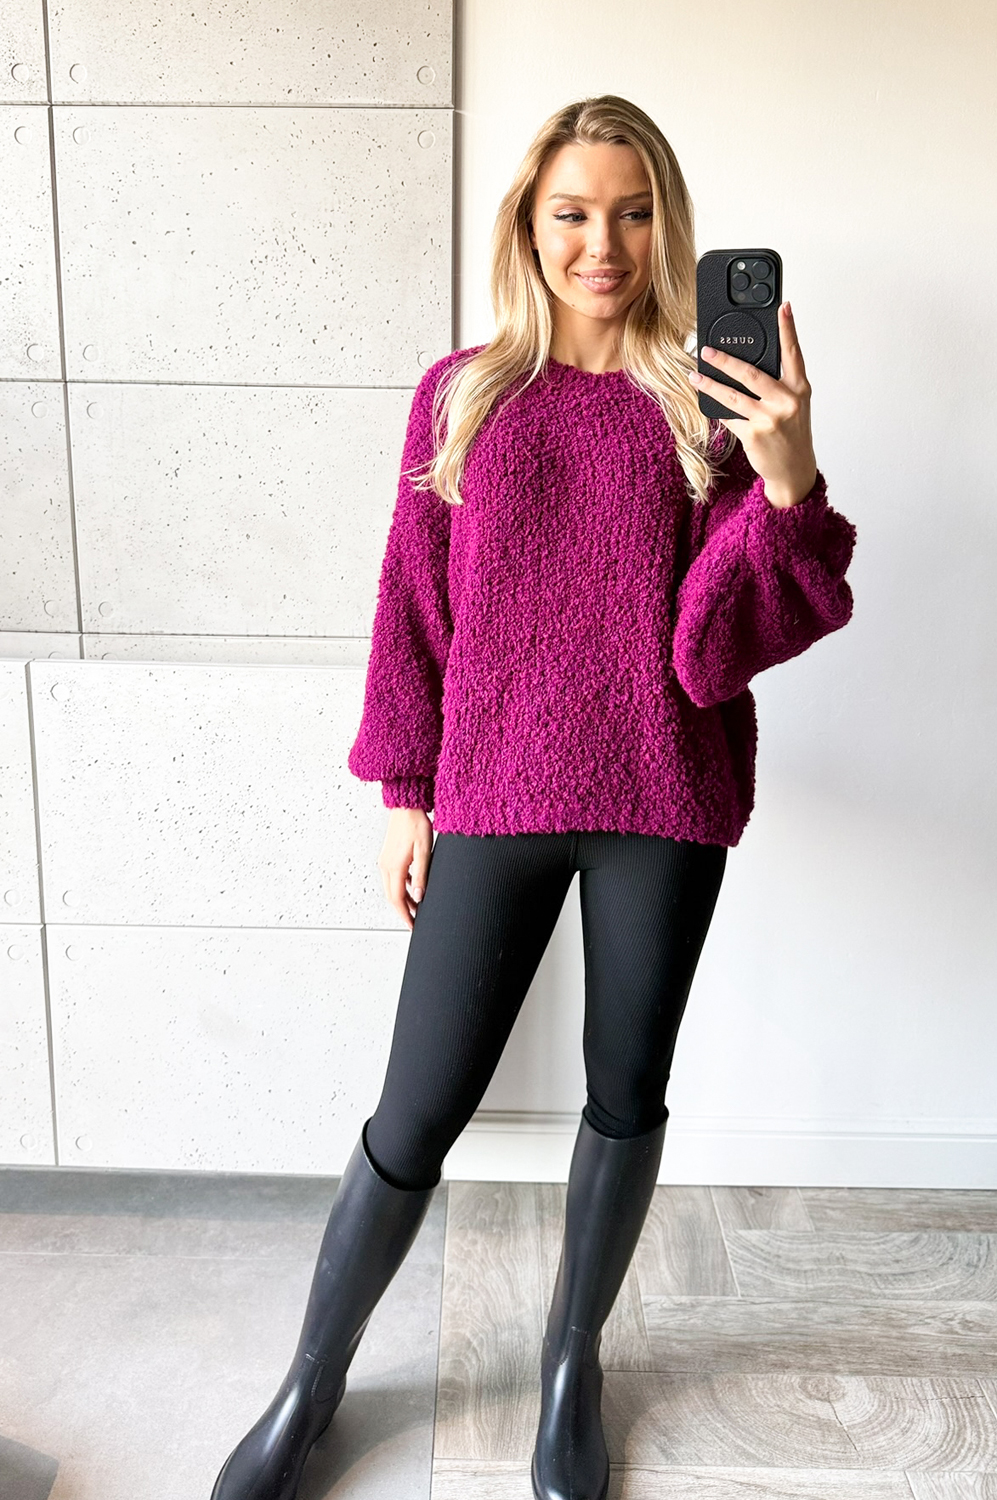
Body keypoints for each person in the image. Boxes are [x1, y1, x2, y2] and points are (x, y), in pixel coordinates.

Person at [210, 94, 856, 1500]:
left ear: (667, 226)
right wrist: (405, 790)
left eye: (631, 213)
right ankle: (311, 1383)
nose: (601, 243)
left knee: (625, 1092)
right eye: (573, 212)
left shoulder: (707, 406)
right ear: (530, 223)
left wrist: (787, 485)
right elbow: (413, 604)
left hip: (661, 799)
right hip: (493, 792)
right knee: (416, 1111)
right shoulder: (463, 393)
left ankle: (573, 1364)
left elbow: (716, 647)